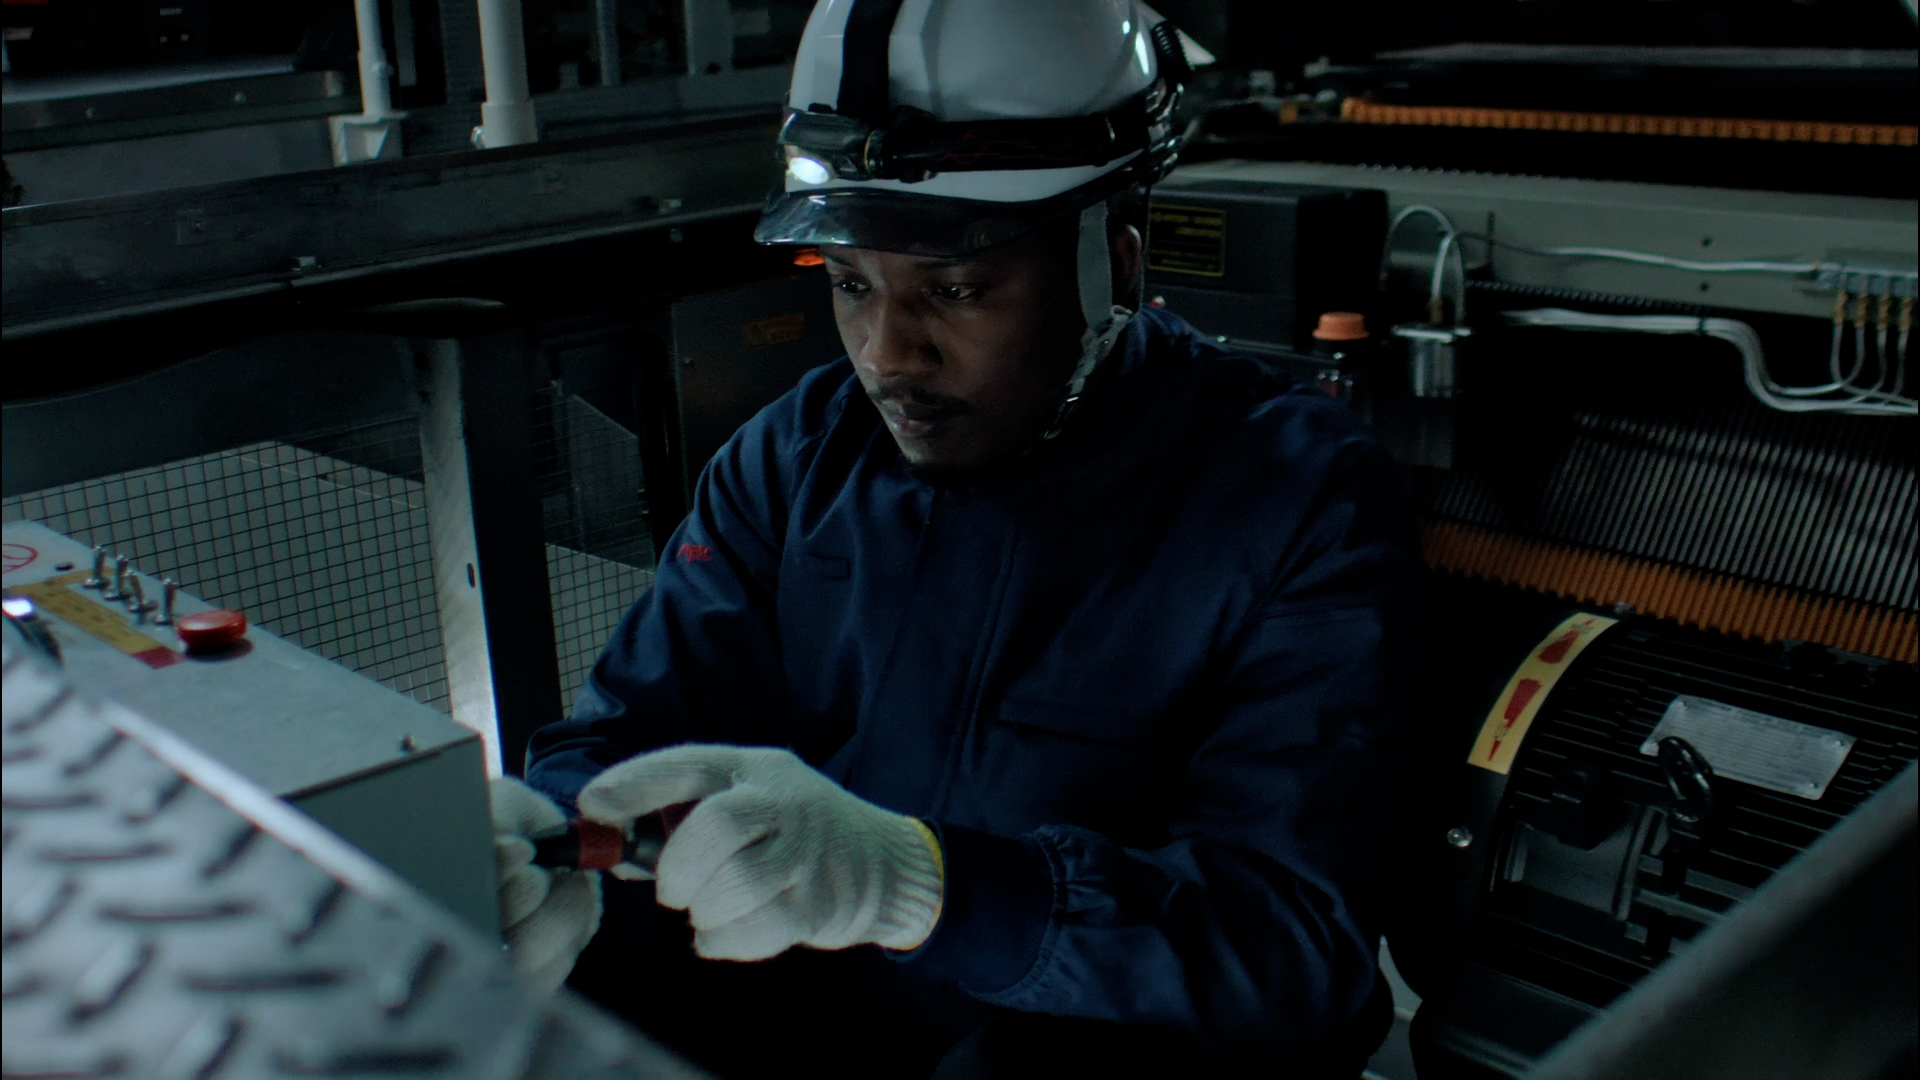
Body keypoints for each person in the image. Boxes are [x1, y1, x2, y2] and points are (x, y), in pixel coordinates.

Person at [489, 1, 1418, 1075]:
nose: (888, 354)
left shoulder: (1295, 499)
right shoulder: (794, 459)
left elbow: (1289, 950)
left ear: (1112, 263)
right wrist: (558, 840)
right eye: (852, 284)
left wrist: (928, 888)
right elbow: (641, 734)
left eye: (957, 288)